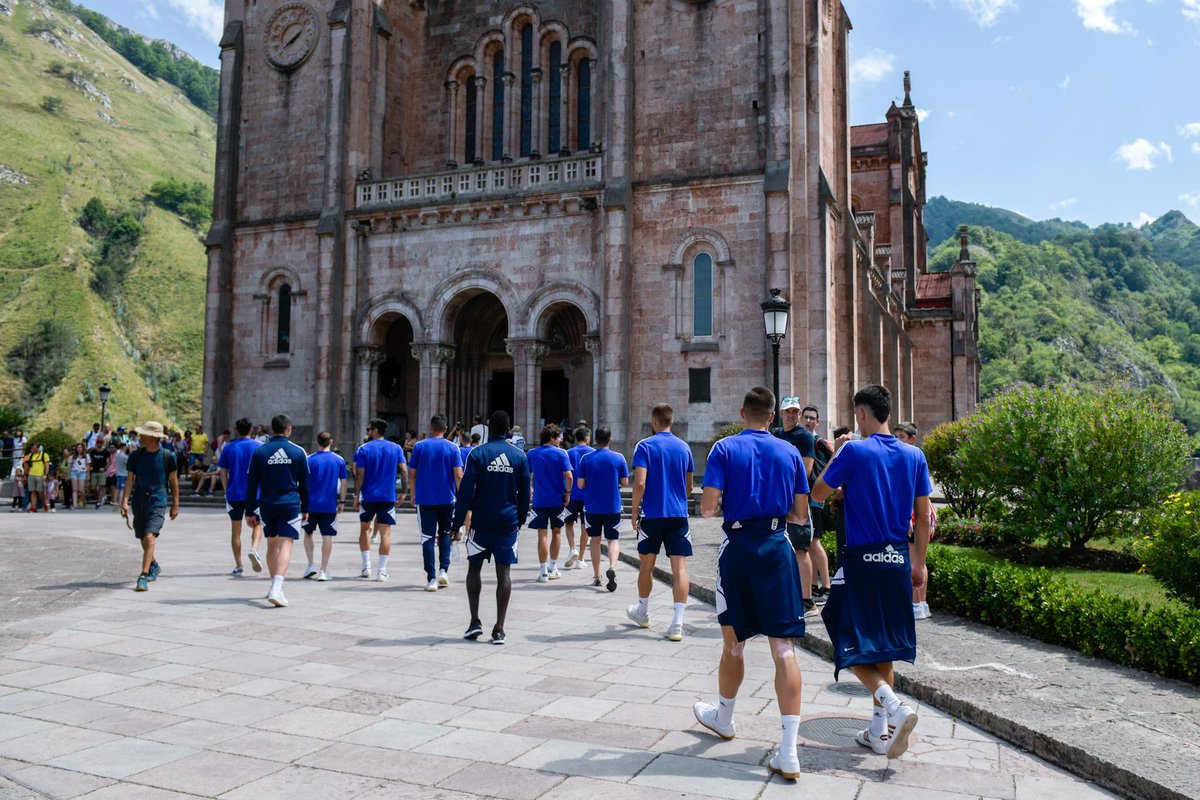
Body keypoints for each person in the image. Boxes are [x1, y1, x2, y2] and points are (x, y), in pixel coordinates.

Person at [693, 386, 809, 780]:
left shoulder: (724, 450)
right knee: (784, 650)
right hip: (777, 548)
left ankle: (724, 717)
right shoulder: (791, 452)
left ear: (742, 413)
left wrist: (734, 505)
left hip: (739, 548)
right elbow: (800, 513)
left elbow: (708, 508)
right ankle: (789, 751)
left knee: (734, 643)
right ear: (773, 416)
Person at [810, 384, 931, 760]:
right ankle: (880, 732)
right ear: (888, 413)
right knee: (885, 647)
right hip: (897, 557)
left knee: (846, 639)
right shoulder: (914, 455)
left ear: (862, 414)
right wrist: (919, 561)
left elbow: (817, 493)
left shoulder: (854, 451)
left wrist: (838, 456)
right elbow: (924, 516)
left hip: (862, 559)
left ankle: (893, 706)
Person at [453, 410, 530, 645]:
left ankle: (475, 621)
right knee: (504, 573)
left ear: (488, 428)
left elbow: (466, 492)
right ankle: (499, 629)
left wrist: (456, 524)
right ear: (508, 431)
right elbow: (525, 492)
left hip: (481, 522)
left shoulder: (478, 454)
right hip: (507, 522)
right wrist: (520, 518)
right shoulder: (519, 456)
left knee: (474, 569)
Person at [627, 403, 695, 641]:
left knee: (646, 565)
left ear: (654, 421)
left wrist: (635, 510)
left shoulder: (644, 446)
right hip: (678, 515)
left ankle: (643, 611)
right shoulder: (684, 448)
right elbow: (688, 486)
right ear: (671, 420)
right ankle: (677, 623)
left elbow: (640, 483)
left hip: (653, 515)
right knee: (680, 568)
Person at [244, 414, 309, 608]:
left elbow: (251, 484)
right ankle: (277, 587)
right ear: (289, 428)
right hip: (290, 504)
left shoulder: (260, 452)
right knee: (286, 544)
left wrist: (249, 511)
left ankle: (274, 585)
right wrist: (306, 507)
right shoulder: (298, 452)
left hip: (267, 505)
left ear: (272, 429)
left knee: (272, 545)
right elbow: (305, 484)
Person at [120, 421, 180, 592]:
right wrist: (124, 501)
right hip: (139, 499)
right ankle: (153, 564)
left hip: (158, 499)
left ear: (153, 438)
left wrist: (175, 504)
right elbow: (129, 480)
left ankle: (143, 575)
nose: (140, 436)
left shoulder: (168, 456)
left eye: (143, 434)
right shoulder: (135, 456)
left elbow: (173, 481)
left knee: (149, 537)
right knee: (142, 537)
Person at [774, 396, 819, 617]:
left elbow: (806, 471)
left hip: (798, 501)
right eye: (788, 411)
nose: (792, 415)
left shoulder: (804, 436)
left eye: (795, 411)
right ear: (781, 413)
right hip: (779, 502)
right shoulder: (777, 435)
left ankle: (807, 601)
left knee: (801, 548)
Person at [410, 415, 464, 592]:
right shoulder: (453, 447)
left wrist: (412, 494)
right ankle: (443, 571)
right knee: (445, 534)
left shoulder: (419, 446)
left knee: (427, 538)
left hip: (425, 499)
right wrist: (462, 496)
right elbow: (458, 474)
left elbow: (412, 473)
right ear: (446, 428)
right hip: (447, 499)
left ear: (431, 427)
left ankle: (431, 578)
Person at [575, 427, 629, 591]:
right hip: (612, 506)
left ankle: (597, 576)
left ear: (595, 440)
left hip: (592, 506)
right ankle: (612, 566)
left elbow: (580, 484)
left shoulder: (586, 458)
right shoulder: (619, 458)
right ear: (610, 440)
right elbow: (626, 482)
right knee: (613, 540)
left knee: (595, 541)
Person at [354, 418, 407, 581]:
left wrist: (356, 494)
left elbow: (360, 474)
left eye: (369, 429)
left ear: (376, 430)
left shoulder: (363, 449)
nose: (368, 432)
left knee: (365, 529)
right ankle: (382, 571)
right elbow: (404, 471)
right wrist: (404, 492)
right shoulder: (396, 448)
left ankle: (366, 566)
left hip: (368, 496)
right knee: (385, 534)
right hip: (387, 496)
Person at [893, 421, 935, 620]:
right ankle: (921, 603)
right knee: (919, 560)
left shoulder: (911, 458)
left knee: (915, 559)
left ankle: (916, 603)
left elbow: (914, 493)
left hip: (915, 514)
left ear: (912, 439)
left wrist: (909, 516)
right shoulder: (916, 458)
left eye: (901, 437)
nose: (897, 441)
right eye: (896, 436)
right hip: (920, 513)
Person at [219, 418, 265, 576]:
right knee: (257, 525)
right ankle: (254, 549)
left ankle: (239, 565)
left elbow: (223, 472)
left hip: (234, 493)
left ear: (236, 430)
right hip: (256, 493)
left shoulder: (228, 448)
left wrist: (227, 490)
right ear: (251, 429)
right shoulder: (259, 447)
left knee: (235, 531)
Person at [527, 423, 572, 583]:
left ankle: (543, 571)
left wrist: (530, 489)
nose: (560, 439)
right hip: (557, 499)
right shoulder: (561, 453)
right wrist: (567, 493)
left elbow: (527, 475)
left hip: (539, 500)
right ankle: (553, 567)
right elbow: (569, 476)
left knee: (542, 536)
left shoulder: (532, 453)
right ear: (552, 437)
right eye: (559, 436)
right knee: (557, 532)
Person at [302, 431, 347, 581]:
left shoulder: (309, 460)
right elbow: (344, 482)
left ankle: (310, 565)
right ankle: (323, 570)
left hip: (310, 505)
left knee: (308, 534)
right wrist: (342, 501)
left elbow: (302, 482)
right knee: (327, 536)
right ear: (331, 442)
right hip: (329, 505)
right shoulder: (338, 460)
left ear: (317, 442)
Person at [802, 405, 834, 603]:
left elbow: (834, 463)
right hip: (804, 498)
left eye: (812, 418)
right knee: (808, 544)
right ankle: (813, 585)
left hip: (815, 499)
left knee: (815, 542)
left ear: (817, 421)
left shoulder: (819, 442)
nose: (808, 420)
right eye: (805, 417)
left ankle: (827, 586)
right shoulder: (801, 439)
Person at [562, 427, 594, 570]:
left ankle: (572, 548)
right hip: (587, 496)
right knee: (585, 527)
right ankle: (581, 558)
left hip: (572, 494)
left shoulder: (568, 453)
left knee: (568, 523)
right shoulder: (593, 453)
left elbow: (565, 474)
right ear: (587, 438)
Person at [23, 442, 51, 513]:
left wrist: (45, 474)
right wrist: (25, 475)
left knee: (40, 492)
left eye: (35, 448)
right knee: (32, 491)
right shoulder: (30, 455)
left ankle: (44, 504)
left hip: (40, 475)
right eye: (33, 448)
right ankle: (33, 507)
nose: (34, 449)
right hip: (31, 475)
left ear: (38, 448)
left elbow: (47, 465)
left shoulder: (44, 455)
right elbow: (27, 466)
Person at [87, 437, 108, 508]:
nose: (99, 444)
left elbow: (109, 462)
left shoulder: (105, 452)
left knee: (101, 486)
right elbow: (90, 460)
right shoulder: (93, 452)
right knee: (93, 487)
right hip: (94, 471)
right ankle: (99, 497)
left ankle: (99, 501)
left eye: (101, 442)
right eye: (98, 442)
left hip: (102, 471)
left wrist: (105, 468)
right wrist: (90, 467)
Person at [69, 444, 88, 510]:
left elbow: (88, 465)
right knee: (74, 489)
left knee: (81, 490)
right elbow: (70, 466)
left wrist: (88, 474)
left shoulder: (86, 456)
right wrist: (69, 474)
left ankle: (83, 500)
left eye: (80, 447)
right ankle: (75, 504)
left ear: (82, 448)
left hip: (82, 472)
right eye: (78, 447)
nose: (79, 448)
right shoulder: (72, 456)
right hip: (74, 472)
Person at [114, 442, 130, 510]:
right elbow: (129, 465)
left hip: (118, 474)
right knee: (122, 490)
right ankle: (120, 503)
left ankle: (115, 503)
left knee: (117, 489)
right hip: (124, 474)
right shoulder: (125, 457)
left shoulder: (117, 455)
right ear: (124, 447)